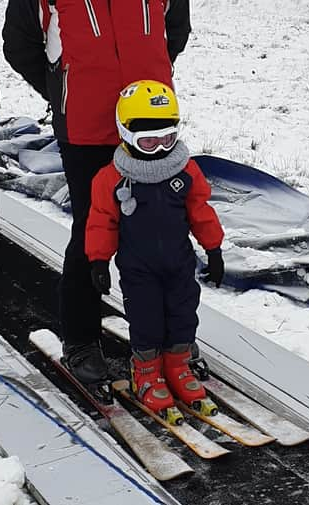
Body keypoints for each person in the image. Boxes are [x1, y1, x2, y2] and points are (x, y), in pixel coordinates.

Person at [2, 0, 192, 385]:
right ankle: (81, 339)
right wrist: (61, 90)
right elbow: (17, 43)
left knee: (162, 230)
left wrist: (151, 76)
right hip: (85, 126)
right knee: (92, 231)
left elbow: (177, 30)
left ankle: (171, 338)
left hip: (149, 125)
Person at [85, 80, 224, 418]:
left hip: (179, 264)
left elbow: (201, 210)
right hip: (139, 268)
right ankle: (145, 373)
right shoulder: (112, 178)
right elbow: (101, 220)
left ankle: (178, 366)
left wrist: (214, 248)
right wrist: (99, 260)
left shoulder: (185, 170)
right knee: (146, 321)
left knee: (182, 315)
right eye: (149, 141)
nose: (161, 148)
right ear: (126, 134)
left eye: (168, 138)